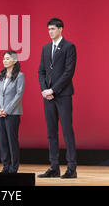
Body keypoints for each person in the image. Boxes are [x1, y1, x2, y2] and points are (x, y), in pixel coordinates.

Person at [38, 17, 78, 179]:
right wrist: (44, 90)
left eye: (53, 29)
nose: (50, 32)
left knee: (67, 132)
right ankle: (54, 167)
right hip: (48, 97)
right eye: (49, 29)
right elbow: (41, 71)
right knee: (51, 132)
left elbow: (69, 72)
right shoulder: (46, 48)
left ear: (61, 29)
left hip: (63, 95)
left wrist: (53, 89)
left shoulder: (69, 47)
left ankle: (71, 168)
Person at [0, 50, 25, 173]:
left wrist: (7, 110)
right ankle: (5, 165)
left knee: (12, 140)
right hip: (0, 113)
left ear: (15, 60)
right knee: (2, 140)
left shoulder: (20, 76)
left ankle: (13, 167)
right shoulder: (0, 75)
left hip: (12, 114)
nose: (5, 61)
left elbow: (18, 95)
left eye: (7, 59)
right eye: (4, 59)